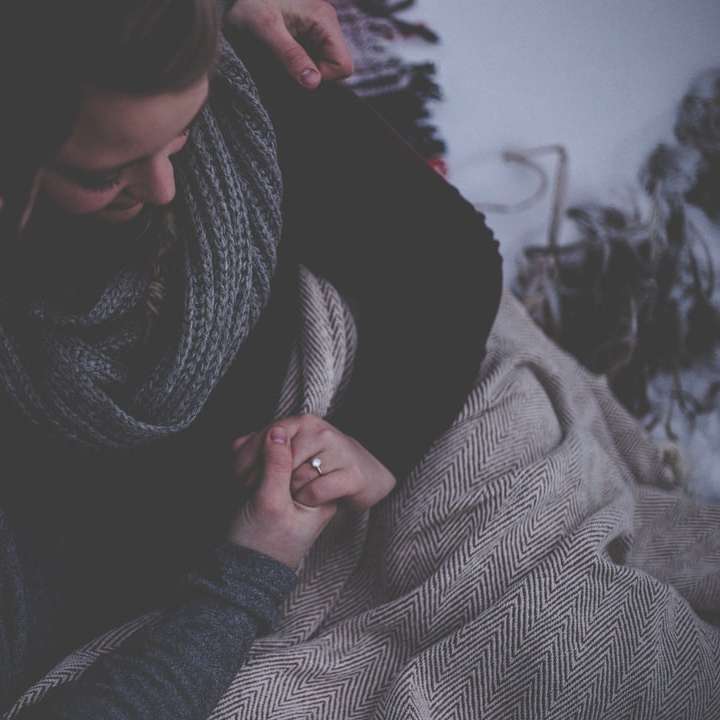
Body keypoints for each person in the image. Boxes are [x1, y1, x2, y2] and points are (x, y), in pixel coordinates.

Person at [4, 2, 720, 720]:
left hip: (369, 410)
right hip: (196, 599)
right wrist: (248, 573)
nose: (164, 187)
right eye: (108, 171)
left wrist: (377, 439)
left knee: (587, 635)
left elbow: (447, 254)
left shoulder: (231, 92)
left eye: (180, 136)